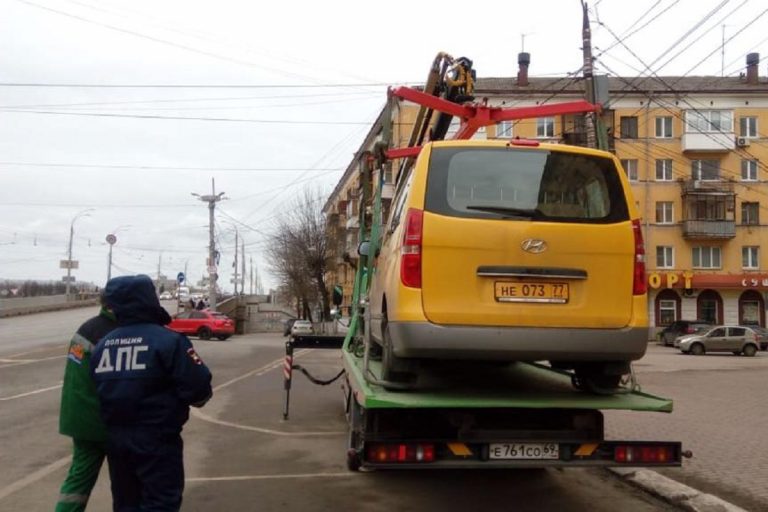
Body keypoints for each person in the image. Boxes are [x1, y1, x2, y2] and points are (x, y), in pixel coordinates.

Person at [91, 275, 212, 512]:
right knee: (160, 502)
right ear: (149, 300)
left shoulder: (103, 345)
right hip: (157, 438)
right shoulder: (169, 341)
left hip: (116, 440)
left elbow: (97, 388)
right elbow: (198, 389)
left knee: (126, 503)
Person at [56, 293, 118, 512]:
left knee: (77, 483)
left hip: (79, 418)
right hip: (104, 422)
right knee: (125, 484)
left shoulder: (87, 329)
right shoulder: (115, 334)